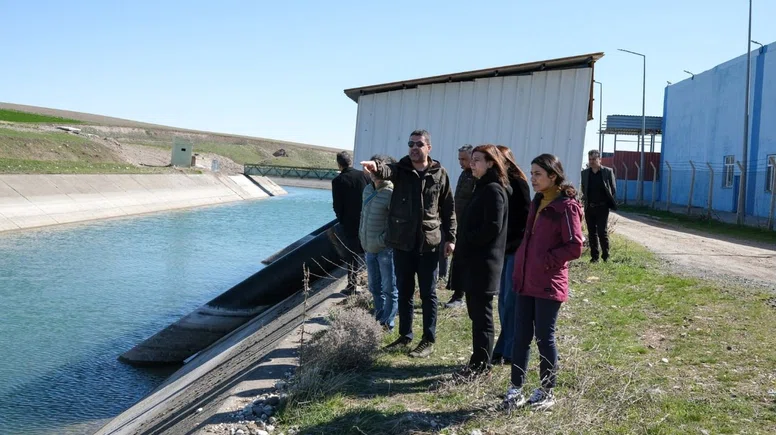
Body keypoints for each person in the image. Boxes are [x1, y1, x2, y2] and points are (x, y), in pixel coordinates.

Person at [360, 129, 456, 358]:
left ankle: (428, 339)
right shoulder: (401, 170)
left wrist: (451, 237)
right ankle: (405, 336)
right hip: (403, 243)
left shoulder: (440, 173)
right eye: (411, 144)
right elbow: (387, 170)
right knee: (404, 292)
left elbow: (449, 207)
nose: (414, 147)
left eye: (419, 144)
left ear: (428, 148)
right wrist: (375, 167)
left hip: (429, 243)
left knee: (428, 294)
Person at [502, 153, 584, 411]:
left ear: (553, 175)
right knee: (520, 336)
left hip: (548, 281)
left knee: (543, 338)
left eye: (538, 174)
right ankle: (516, 389)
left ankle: (547, 390)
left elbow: (575, 247)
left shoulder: (566, 206)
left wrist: (547, 260)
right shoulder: (537, 201)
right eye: (532, 173)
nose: (533, 178)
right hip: (527, 279)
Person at [453, 144, 510, 378]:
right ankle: (478, 361)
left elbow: (492, 228)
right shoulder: (482, 186)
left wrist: (467, 238)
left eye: (477, 160)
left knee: (482, 317)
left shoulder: (493, 190)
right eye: (472, 160)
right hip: (474, 262)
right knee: (476, 315)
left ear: (490, 163)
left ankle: (481, 366)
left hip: (483, 264)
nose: (472, 163)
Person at [490, 145, 531, 365]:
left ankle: (510, 349)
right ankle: (504, 347)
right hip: (503, 250)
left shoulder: (518, 182)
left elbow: (524, 219)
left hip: (514, 250)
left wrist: (514, 244)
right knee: (503, 302)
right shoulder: (502, 183)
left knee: (510, 302)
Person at [358, 154, 398, 331]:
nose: (372, 173)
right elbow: (363, 217)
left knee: (390, 288)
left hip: (384, 250)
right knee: (374, 287)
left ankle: (388, 323)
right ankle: (378, 318)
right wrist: (362, 236)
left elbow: (395, 223)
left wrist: (382, 240)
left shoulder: (391, 193)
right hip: (369, 248)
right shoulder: (367, 190)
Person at [331, 150, 372, 293]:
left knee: (352, 255)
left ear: (339, 164)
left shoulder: (338, 181)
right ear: (350, 161)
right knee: (369, 251)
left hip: (349, 223)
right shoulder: (363, 176)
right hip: (366, 220)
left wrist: (341, 219)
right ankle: (371, 283)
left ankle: (352, 285)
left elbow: (337, 205)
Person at [444, 145, 475, 309]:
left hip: (469, 226)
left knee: (464, 262)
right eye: (459, 159)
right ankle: (456, 293)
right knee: (457, 259)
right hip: (459, 223)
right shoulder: (465, 175)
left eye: (464, 159)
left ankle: (460, 296)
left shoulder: (477, 178)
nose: (461, 163)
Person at [580, 149, 617, 262]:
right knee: (592, 233)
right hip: (590, 207)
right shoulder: (585, 173)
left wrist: (606, 202)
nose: (591, 161)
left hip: (602, 207)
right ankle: (594, 257)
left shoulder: (607, 172)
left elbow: (613, 189)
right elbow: (584, 188)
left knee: (602, 232)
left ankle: (606, 256)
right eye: (590, 159)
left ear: (599, 159)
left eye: (594, 159)